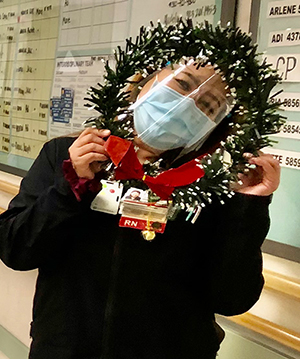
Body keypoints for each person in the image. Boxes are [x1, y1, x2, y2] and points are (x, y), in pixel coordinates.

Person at [0, 60, 280, 359]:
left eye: (207, 106)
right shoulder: (68, 155)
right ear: (147, 80)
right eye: (182, 84)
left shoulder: (212, 185)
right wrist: (71, 187)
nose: (186, 104)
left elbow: (232, 298)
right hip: (65, 349)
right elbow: (16, 249)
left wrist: (249, 207)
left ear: (216, 122)